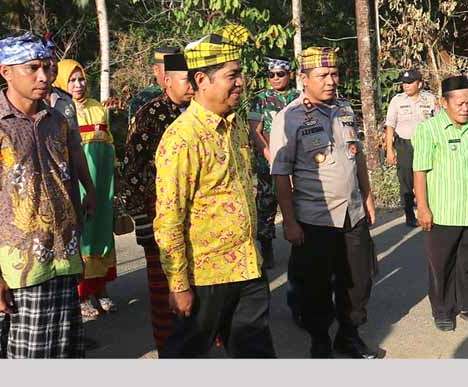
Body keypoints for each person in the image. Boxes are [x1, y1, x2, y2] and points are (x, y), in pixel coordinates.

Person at [0, 31, 88, 358]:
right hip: (21, 273)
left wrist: (78, 250)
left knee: (67, 358)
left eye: (47, 66)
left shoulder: (58, 122)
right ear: (6, 72)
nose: (44, 76)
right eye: (32, 68)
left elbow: (69, 185)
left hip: (65, 262)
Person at [154, 26, 276, 358]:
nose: (240, 82)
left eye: (240, 75)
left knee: (257, 354)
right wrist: (178, 284)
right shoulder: (181, 139)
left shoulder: (235, 124)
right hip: (206, 275)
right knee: (186, 356)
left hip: (248, 267)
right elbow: (168, 218)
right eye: (231, 76)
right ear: (202, 81)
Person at [269, 46, 379, 359]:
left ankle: (349, 333)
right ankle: (320, 340)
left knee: (358, 281)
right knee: (315, 287)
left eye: (334, 74)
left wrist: (368, 197)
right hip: (315, 218)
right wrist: (289, 222)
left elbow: (356, 161)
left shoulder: (345, 109)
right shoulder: (288, 118)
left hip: (353, 214)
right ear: (304, 78)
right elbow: (280, 175)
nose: (331, 81)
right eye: (323, 75)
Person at [119, 52, 193, 353]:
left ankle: (198, 341)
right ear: (167, 81)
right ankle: (170, 349)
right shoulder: (148, 115)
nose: (192, 86)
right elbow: (132, 170)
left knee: (195, 282)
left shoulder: (199, 112)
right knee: (165, 288)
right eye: (186, 80)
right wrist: (143, 220)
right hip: (158, 212)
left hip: (195, 214)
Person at [412, 75, 468, 332]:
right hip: (442, 211)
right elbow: (420, 170)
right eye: (459, 103)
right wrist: (423, 207)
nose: (465, 108)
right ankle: (443, 310)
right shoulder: (428, 129)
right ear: (444, 102)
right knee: (441, 264)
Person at [54, 59, 118, 321]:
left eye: (81, 79)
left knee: (102, 231)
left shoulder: (98, 108)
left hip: (103, 183)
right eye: (72, 80)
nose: (78, 85)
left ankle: (99, 287)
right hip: (79, 183)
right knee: (84, 234)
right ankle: (80, 295)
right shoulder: (61, 110)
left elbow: (109, 143)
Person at [248, 56, 300, 270]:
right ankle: (267, 247)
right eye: (271, 75)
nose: (275, 78)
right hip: (268, 161)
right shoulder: (261, 98)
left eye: (280, 74)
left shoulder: (299, 97)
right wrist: (270, 156)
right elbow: (255, 130)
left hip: (297, 161)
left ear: (289, 75)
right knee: (267, 203)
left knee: (299, 202)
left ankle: (300, 246)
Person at [383, 69, 438, 227]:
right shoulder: (397, 100)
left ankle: (428, 211)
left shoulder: (430, 99)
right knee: (406, 180)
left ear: (419, 84)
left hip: (426, 145)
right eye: (404, 83)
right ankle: (409, 214)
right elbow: (390, 126)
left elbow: (438, 122)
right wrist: (389, 150)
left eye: (410, 82)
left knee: (428, 178)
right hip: (405, 144)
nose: (406, 86)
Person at [127, 46, 181, 122]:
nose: (175, 73)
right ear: (156, 70)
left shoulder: (185, 95)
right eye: (170, 68)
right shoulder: (143, 100)